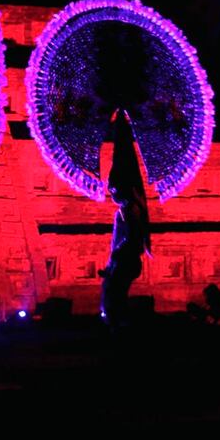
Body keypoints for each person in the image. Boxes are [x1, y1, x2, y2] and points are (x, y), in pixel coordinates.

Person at [99, 110, 151, 328]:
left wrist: (115, 263)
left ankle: (118, 324)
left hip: (125, 262)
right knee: (112, 296)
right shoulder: (126, 209)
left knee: (114, 296)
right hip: (121, 262)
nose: (112, 192)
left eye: (114, 189)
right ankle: (115, 322)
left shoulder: (131, 210)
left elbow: (131, 239)